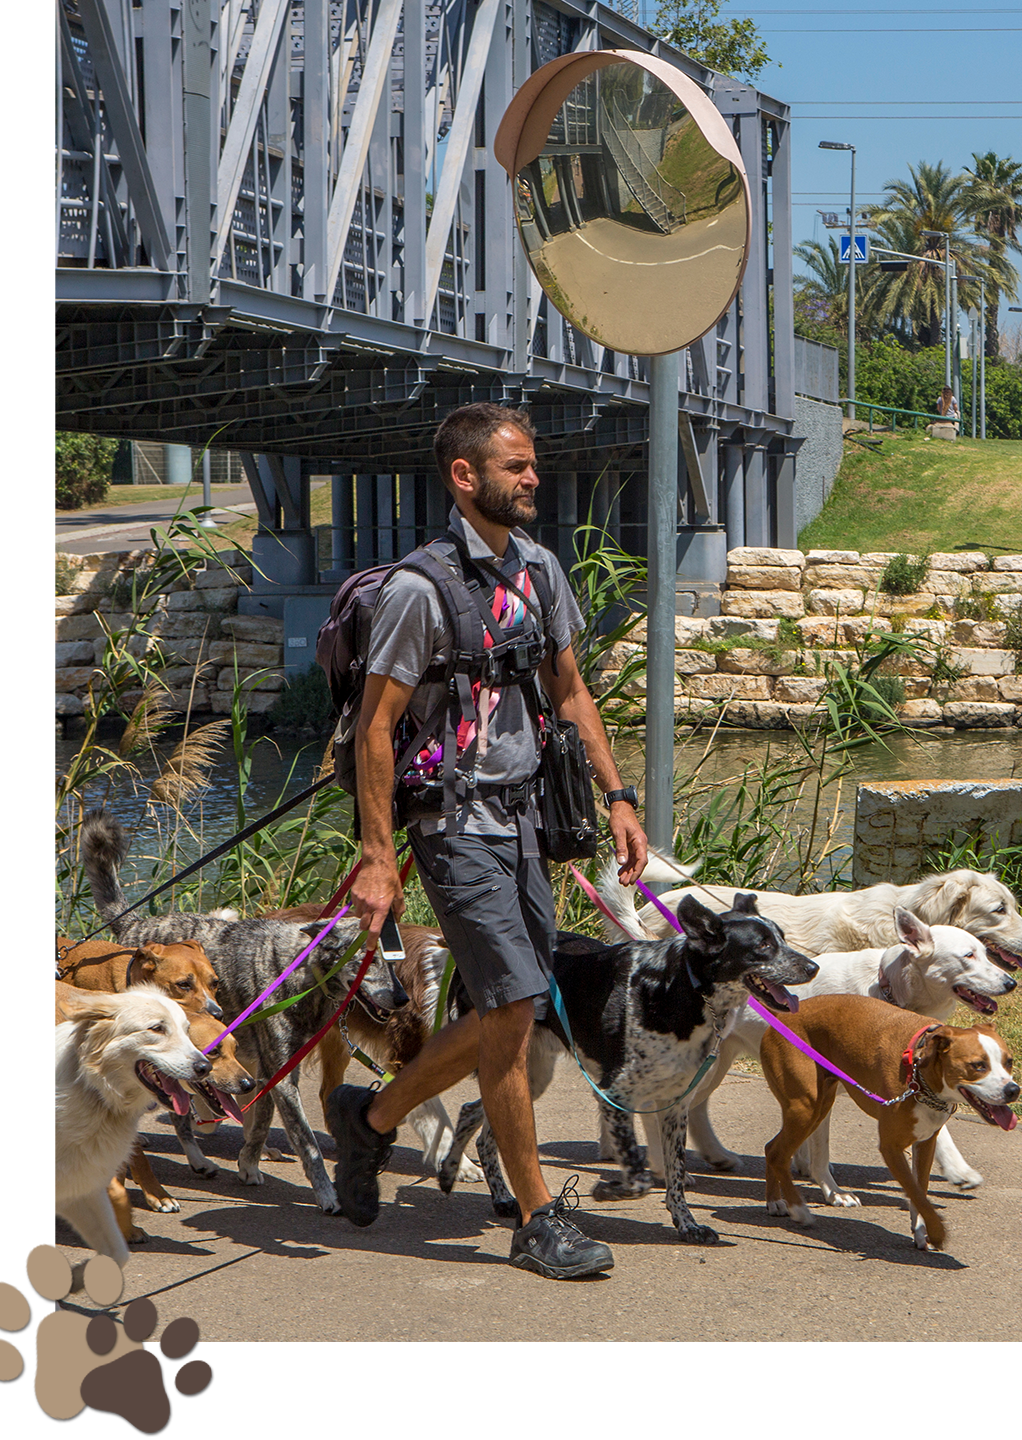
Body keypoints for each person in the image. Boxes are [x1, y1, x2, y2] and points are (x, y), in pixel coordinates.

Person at [326, 402, 648, 1280]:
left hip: (527, 820)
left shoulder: (540, 570)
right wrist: (378, 857)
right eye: (515, 466)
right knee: (509, 1004)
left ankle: (372, 1120)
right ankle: (536, 1214)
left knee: (518, 1003)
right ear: (465, 477)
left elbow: (572, 691)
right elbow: (377, 732)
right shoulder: (419, 591)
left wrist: (618, 797)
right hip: (453, 825)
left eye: (533, 463)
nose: (533, 476)